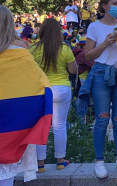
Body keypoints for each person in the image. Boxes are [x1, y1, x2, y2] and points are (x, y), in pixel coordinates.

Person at [0, 5, 43, 186]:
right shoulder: (20, 52)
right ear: (9, 24)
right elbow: (37, 84)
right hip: (9, 121)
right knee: (5, 172)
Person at [82, 0, 117, 178]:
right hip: (101, 73)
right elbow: (88, 56)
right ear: (104, 5)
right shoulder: (94, 27)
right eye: (114, 3)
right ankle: (99, 161)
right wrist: (105, 43)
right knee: (102, 118)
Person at [29, 18, 77, 172]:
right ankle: (60, 161)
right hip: (61, 89)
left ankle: (40, 164)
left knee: (41, 127)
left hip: (42, 90)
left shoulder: (33, 49)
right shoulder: (65, 49)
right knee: (59, 126)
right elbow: (73, 71)